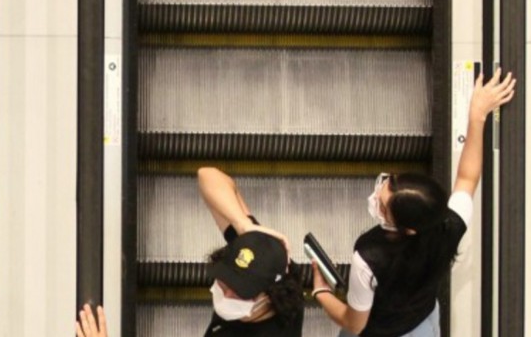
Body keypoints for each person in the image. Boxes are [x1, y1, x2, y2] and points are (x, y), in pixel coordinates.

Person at [312, 68, 517, 336]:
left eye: (383, 207)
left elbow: (354, 323)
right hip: (423, 323)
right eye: (387, 183)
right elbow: (467, 178)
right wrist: (477, 115)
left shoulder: (368, 256)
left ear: (408, 228)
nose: (375, 197)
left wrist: (321, 292)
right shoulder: (448, 227)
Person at [197, 167, 305, 335]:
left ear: (268, 297)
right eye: (226, 280)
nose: (227, 294)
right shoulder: (270, 262)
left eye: (241, 291)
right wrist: (244, 225)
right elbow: (207, 175)